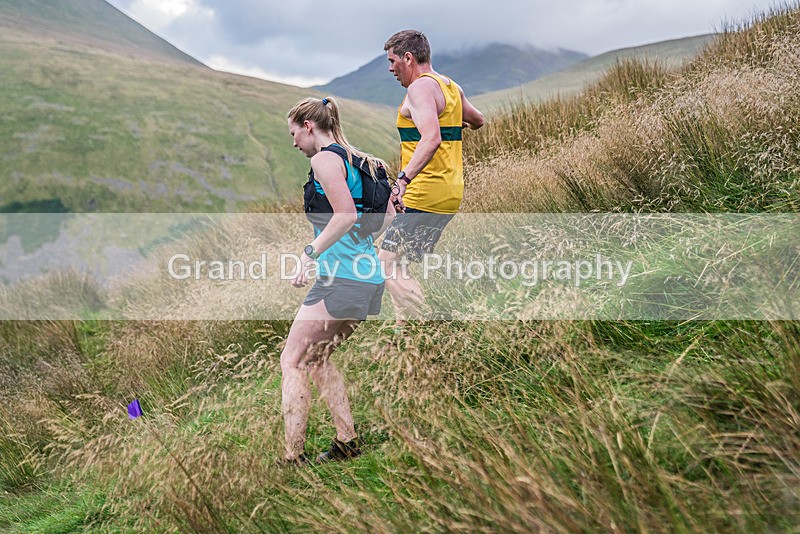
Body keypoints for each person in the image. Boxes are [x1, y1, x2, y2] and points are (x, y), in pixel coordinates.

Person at [280, 96, 393, 464]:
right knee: (318, 359)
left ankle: (293, 457)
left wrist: (309, 254)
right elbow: (389, 216)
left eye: (294, 134)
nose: (294, 143)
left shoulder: (324, 160)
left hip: (340, 279)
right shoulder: (365, 162)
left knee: (293, 360)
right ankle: (347, 442)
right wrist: (356, 243)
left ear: (308, 126)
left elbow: (344, 214)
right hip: (367, 278)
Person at [379, 29, 485, 326]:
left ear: (408, 58)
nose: (390, 69)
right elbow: (478, 120)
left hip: (423, 192)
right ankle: (404, 334)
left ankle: (427, 326)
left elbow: (431, 138)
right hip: (449, 191)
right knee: (399, 263)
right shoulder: (450, 86)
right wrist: (454, 123)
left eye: (392, 61)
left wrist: (402, 181)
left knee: (386, 263)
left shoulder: (419, 89)